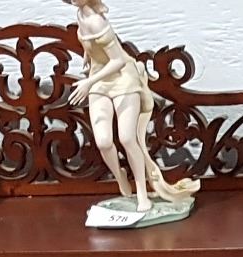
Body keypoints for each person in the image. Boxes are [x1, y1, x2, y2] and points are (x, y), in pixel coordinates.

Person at [66, 0, 199, 214]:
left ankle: (142, 192)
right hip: (100, 79)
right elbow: (89, 43)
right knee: (103, 141)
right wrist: (88, 57)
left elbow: (118, 60)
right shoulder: (81, 14)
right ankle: (120, 176)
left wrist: (89, 82)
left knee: (128, 138)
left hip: (122, 79)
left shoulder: (97, 22)